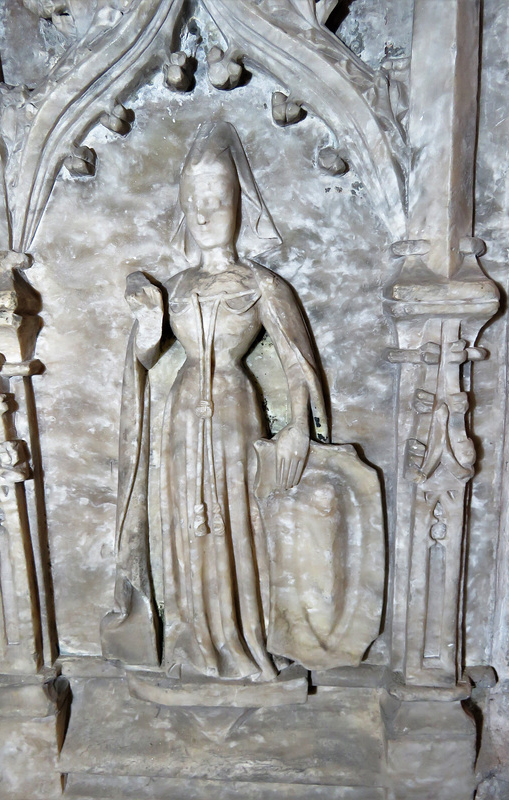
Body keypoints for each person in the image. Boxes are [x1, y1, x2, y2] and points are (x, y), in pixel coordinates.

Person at [102, 121, 328, 681]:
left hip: (234, 410)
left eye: (217, 201)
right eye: (194, 203)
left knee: (236, 524)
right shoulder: (176, 286)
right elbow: (149, 357)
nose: (205, 214)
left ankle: (242, 642)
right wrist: (146, 317)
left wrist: (298, 426)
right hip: (181, 417)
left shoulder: (263, 284)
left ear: (238, 206)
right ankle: (196, 642)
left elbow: (297, 361)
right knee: (186, 524)